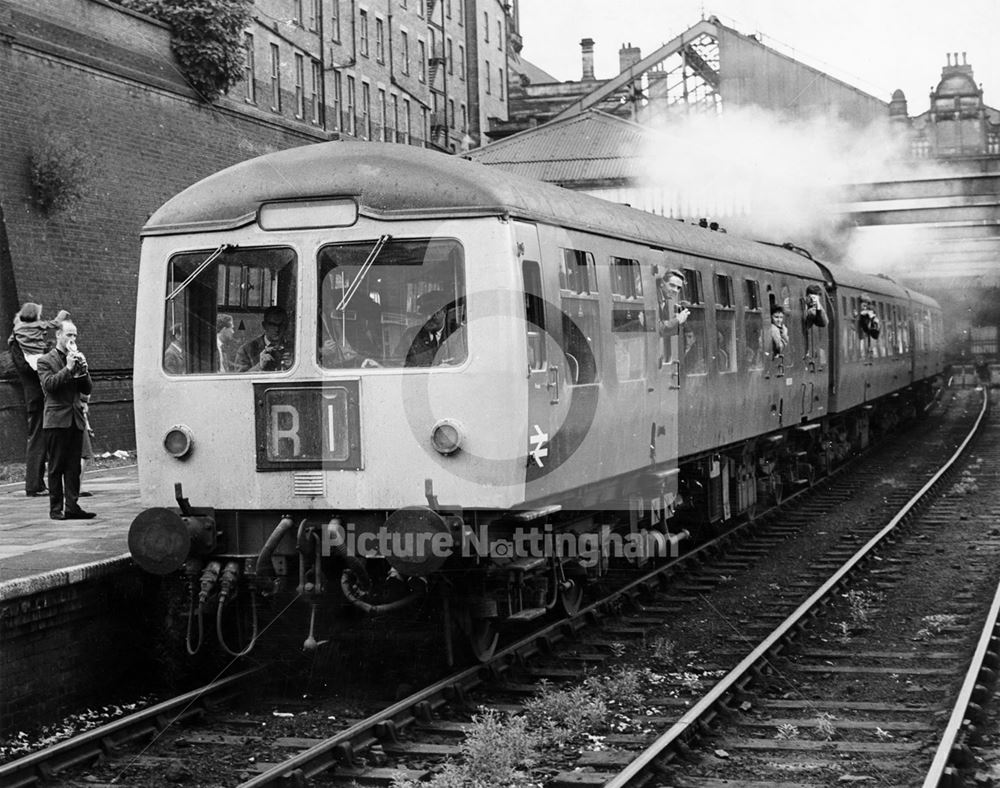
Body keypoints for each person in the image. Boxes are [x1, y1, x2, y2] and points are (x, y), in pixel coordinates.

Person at [7, 303, 69, 496]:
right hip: (37, 396)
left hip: (43, 395)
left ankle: (40, 484)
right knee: (38, 439)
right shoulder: (19, 344)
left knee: (46, 438)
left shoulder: (28, 341)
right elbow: (25, 369)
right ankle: (33, 485)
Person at [36, 320, 95, 520]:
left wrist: (83, 371)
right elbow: (50, 386)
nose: (72, 339)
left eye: (75, 335)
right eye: (69, 335)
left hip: (75, 419)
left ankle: (72, 506)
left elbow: (86, 389)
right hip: (56, 420)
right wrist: (68, 369)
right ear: (58, 335)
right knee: (56, 466)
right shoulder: (45, 361)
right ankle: (55, 509)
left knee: (73, 467)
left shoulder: (76, 358)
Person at [395, 291, 452, 367]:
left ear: (444, 311)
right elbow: (397, 363)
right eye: (424, 313)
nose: (428, 318)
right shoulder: (411, 335)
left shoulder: (457, 333)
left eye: (433, 313)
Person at [11, 303, 71, 370]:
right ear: (34, 315)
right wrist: (61, 315)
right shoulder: (39, 325)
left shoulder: (17, 327)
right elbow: (55, 323)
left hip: (26, 354)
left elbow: (11, 340)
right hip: (38, 352)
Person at [235, 306, 295, 372]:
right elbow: (239, 379)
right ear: (264, 325)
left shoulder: (295, 349)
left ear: (286, 326)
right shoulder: (246, 350)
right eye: (272, 324)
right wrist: (260, 366)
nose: (277, 329)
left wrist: (293, 366)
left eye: (281, 325)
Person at [655, 270, 690, 334]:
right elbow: (655, 327)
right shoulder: (653, 298)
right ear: (662, 283)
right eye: (672, 285)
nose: (675, 290)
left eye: (678, 288)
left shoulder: (664, 300)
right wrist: (677, 320)